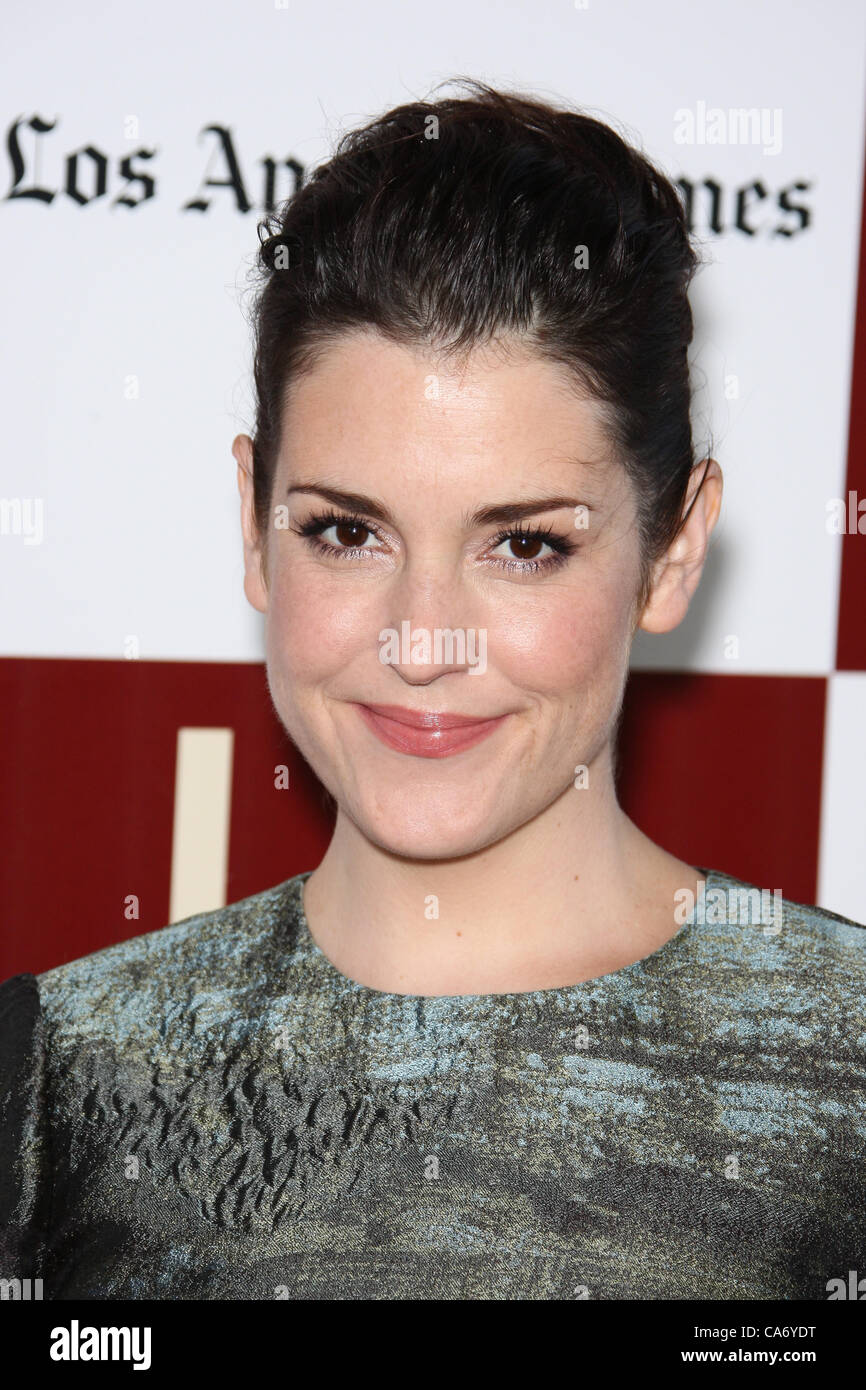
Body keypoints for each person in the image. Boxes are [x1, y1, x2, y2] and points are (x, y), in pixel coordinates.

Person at [1, 79, 863, 1301]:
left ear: (672, 549)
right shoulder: (56, 1082)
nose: (422, 642)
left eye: (524, 544)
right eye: (347, 532)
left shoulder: (847, 1072)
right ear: (253, 526)